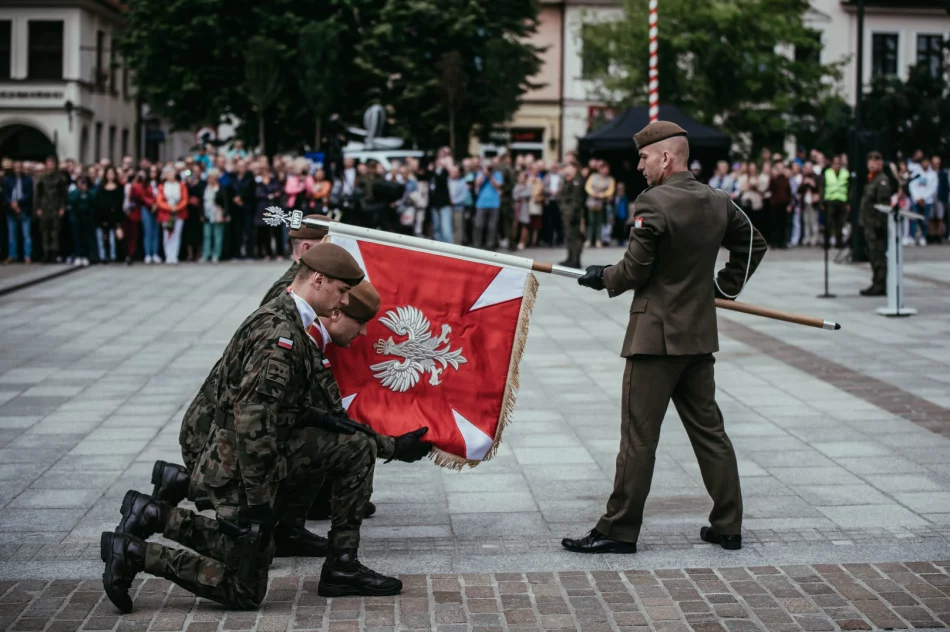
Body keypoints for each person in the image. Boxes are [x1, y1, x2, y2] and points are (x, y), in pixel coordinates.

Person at [103, 245, 431, 611]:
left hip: (246, 459)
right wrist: (261, 505)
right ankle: (135, 552)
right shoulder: (280, 336)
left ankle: (153, 515)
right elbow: (251, 424)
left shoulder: (291, 322)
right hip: (235, 471)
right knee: (243, 590)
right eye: (341, 291)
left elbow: (307, 412)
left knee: (352, 447)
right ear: (318, 280)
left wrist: (376, 440)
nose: (342, 301)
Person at [564, 121, 767, 555]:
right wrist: (722, 287)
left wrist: (604, 277)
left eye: (643, 158)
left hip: (654, 339)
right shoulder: (717, 200)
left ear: (666, 158)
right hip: (697, 336)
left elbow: (635, 270)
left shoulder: (652, 202)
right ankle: (727, 525)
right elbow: (754, 243)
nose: (639, 166)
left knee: (639, 438)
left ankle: (618, 530)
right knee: (711, 434)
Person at [858, 152, 893, 297]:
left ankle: (881, 284)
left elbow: (883, 204)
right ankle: (876, 282)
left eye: (875, 162)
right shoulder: (872, 179)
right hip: (868, 224)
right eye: (869, 162)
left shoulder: (882, 180)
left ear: (880, 163)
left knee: (878, 255)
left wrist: (880, 224)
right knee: (873, 255)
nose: (872, 164)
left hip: (875, 225)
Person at [35, 156, 69, 263]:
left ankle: (54, 254)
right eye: (48, 164)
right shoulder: (42, 178)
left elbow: (64, 195)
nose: (50, 166)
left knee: (55, 232)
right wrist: (38, 207)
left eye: (52, 164)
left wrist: (62, 207)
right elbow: (38, 194)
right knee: (45, 232)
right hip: (45, 207)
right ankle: (45, 253)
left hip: (56, 207)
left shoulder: (60, 178)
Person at [156, 166, 189, 264]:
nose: (170, 175)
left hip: (178, 213)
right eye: (168, 173)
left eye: (171, 173)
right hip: (166, 213)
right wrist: (169, 207)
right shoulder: (162, 186)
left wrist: (177, 207)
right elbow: (159, 200)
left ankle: (174, 255)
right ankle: (168, 255)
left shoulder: (181, 185)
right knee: (167, 235)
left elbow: (185, 199)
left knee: (176, 234)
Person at [2, 161, 33, 264]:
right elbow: (5, 194)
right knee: (12, 234)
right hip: (11, 210)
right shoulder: (7, 180)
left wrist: (18, 203)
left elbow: (29, 194)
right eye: (16, 167)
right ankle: (12, 255)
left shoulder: (28, 180)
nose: (18, 169)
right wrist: (12, 204)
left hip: (24, 209)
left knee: (26, 234)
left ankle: (27, 256)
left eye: (19, 167)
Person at [94, 166, 125, 263]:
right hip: (103, 215)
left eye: (112, 173)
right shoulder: (101, 188)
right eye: (108, 174)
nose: (110, 176)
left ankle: (113, 255)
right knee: (102, 237)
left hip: (115, 215)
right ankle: (103, 256)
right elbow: (99, 202)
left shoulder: (119, 188)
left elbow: (120, 203)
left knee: (113, 237)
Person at [557, 161, 584, 268]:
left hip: (572, 212)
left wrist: (572, 213)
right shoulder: (569, 179)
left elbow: (576, 200)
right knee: (569, 236)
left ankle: (575, 260)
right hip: (567, 211)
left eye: (568, 167)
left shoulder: (576, 181)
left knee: (574, 236)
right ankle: (570, 258)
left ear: (574, 169)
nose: (566, 170)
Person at [199, 169, 229, 263]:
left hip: (217, 214)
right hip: (207, 214)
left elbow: (225, 202)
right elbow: (201, 202)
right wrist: (201, 214)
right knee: (207, 235)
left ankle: (216, 255)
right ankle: (206, 254)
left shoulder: (221, 188)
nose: (210, 179)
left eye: (212, 177)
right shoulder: (205, 188)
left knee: (218, 235)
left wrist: (225, 214)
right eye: (208, 178)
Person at [473, 159, 503, 250]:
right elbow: (477, 184)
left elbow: (498, 186)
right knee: (479, 225)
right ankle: (477, 245)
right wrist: (483, 174)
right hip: (481, 204)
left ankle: (490, 245)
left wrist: (490, 176)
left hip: (494, 204)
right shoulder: (479, 173)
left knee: (492, 227)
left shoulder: (497, 174)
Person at [585, 162, 616, 248]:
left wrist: (601, 195)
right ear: (600, 169)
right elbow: (587, 186)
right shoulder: (593, 176)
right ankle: (589, 239)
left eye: (607, 169)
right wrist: (592, 193)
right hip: (591, 202)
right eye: (604, 168)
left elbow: (611, 191)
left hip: (602, 203)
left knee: (599, 222)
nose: (606, 170)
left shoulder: (610, 179)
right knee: (591, 222)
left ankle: (598, 240)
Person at [907, 156, 936, 247]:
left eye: (927, 162)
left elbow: (933, 188)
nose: (925, 164)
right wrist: (917, 198)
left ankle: (923, 237)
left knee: (925, 220)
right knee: (914, 219)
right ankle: (912, 236)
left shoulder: (932, 174)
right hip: (916, 200)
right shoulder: (916, 174)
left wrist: (924, 197)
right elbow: (911, 185)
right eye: (923, 162)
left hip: (927, 201)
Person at [823, 156, 850, 249]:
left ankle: (839, 242)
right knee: (829, 223)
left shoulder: (845, 173)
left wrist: (848, 202)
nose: (837, 165)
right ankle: (827, 242)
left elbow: (848, 188)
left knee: (840, 223)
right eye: (835, 163)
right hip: (830, 200)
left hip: (842, 200)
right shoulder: (827, 173)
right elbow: (822, 187)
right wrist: (822, 202)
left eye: (838, 163)